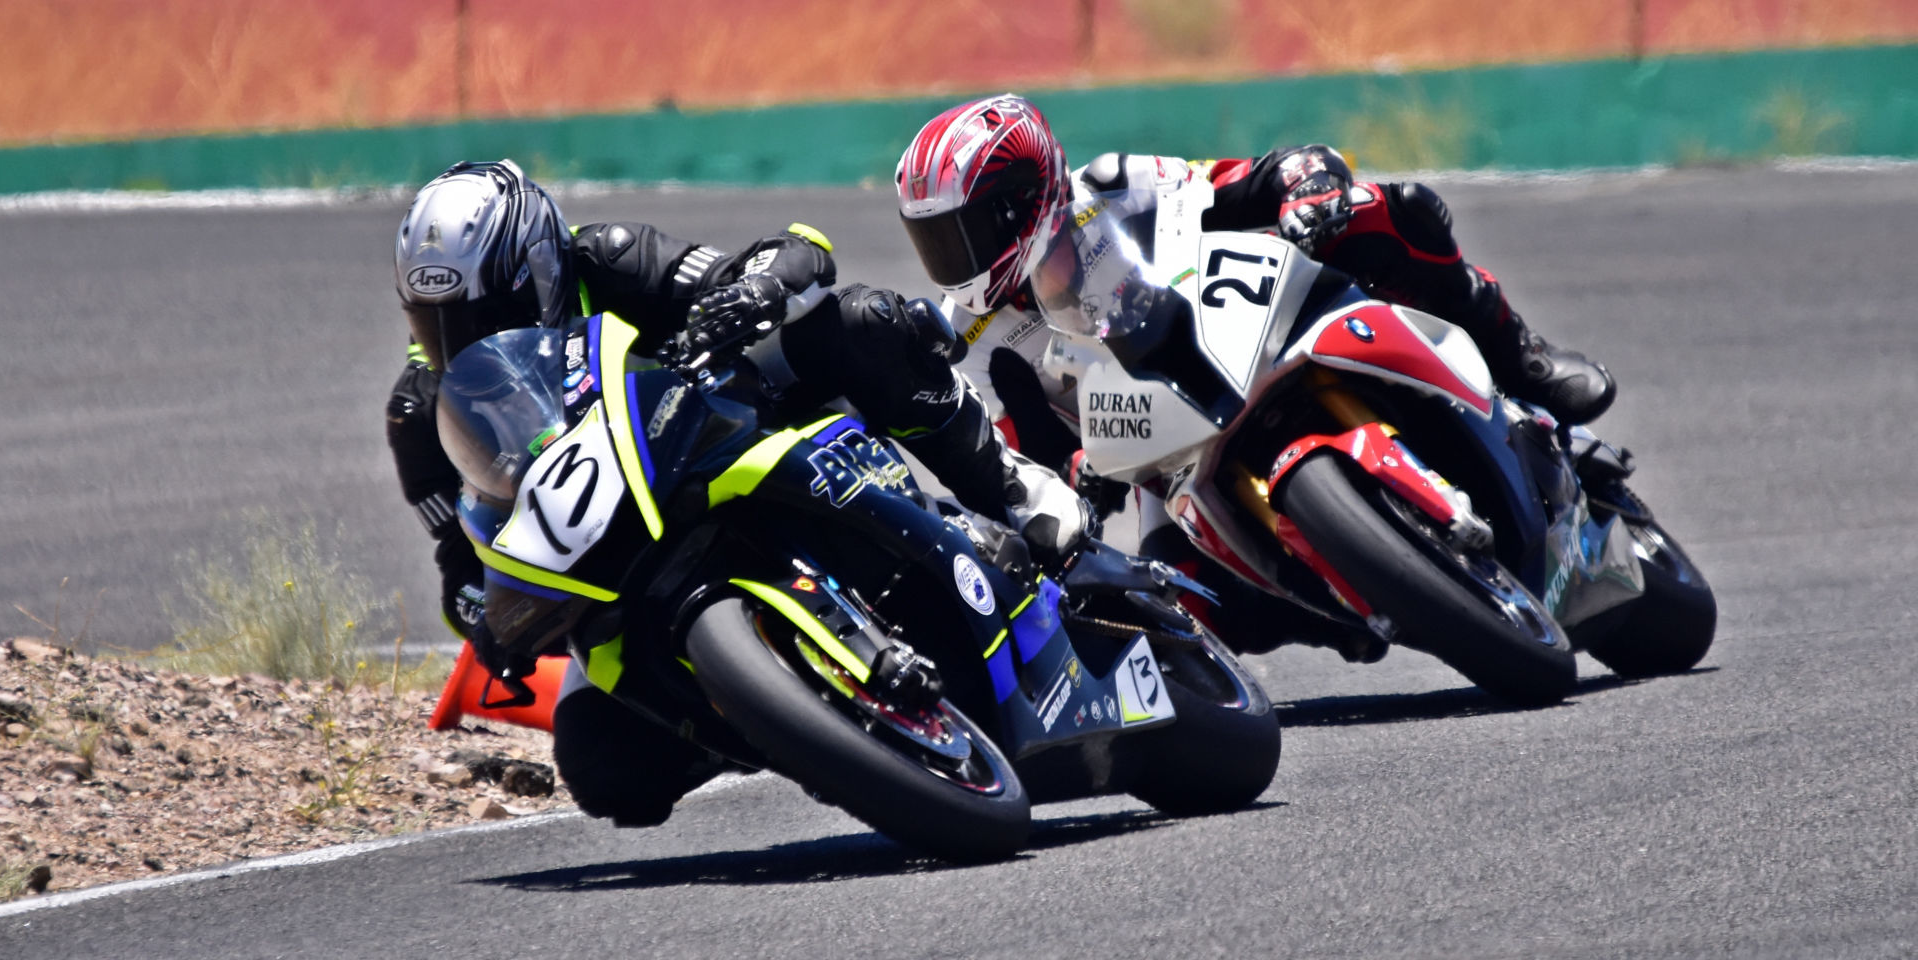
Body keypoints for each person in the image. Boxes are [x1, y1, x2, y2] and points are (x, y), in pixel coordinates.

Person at [387, 159, 1088, 826]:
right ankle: (775, 716)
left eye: (483, 311)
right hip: (612, 567)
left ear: (537, 269)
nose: (458, 341)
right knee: (602, 769)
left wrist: (753, 291)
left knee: (857, 323)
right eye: (431, 319)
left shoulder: (608, 258)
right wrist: (490, 618)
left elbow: (791, 254)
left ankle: (1010, 487)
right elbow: (462, 565)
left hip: (722, 437)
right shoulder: (424, 411)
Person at [895, 94, 1616, 658]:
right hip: (1169, 465)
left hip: (1250, 336)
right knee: (1179, 612)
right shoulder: (977, 334)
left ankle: (1521, 357)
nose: (952, 260)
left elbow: (1239, 183)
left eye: (965, 232)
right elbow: (1021, 460)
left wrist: (1306, 182)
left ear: (1025, 197)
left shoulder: (1113, 187)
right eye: (932, 240)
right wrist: (1074, 481)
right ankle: (1347, 600)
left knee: (1391, 213)